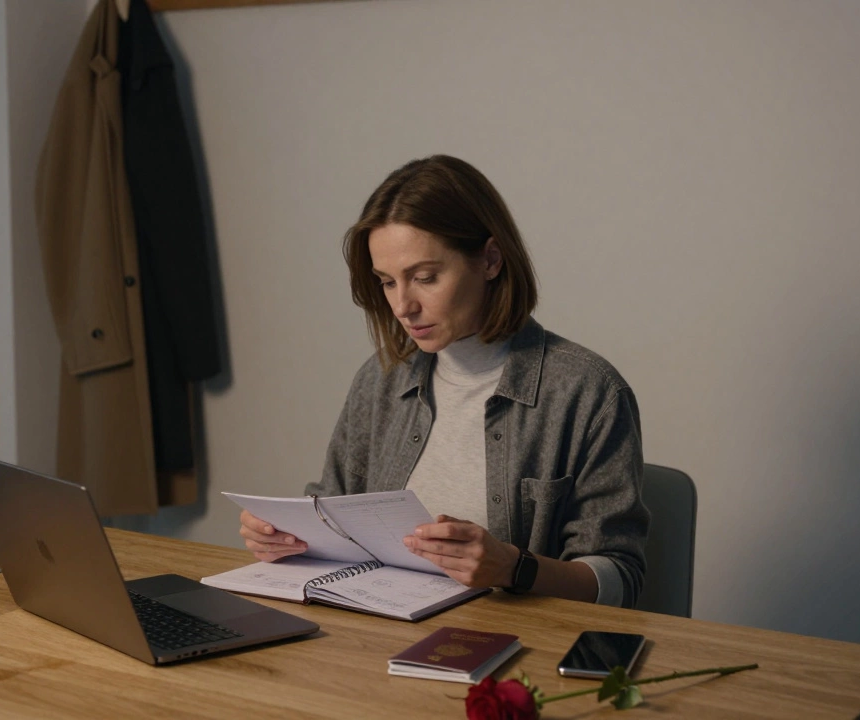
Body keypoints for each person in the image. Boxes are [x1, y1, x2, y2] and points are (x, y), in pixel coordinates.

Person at [237, 155, 649, 607]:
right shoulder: (380, 379)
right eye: (387, 282)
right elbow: (330, 513)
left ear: (490, 260)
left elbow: (620, 582)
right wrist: (284, 539)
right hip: (377, 641)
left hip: (513, 649)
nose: (402, 306)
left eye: (425, 278)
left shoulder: (587, 392)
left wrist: (514, 567)